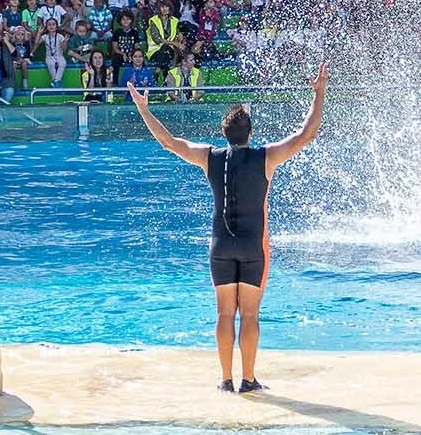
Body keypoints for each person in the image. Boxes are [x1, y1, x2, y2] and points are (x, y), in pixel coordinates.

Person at [128, 61, 328, 393]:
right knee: (248, 317)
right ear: (250, 134)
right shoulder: (267, 157)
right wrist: (319, 93)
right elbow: (307, 134)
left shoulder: (209, 157)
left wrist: (143, 109)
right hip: (252, 247)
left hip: (220, 246)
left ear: (224, 134)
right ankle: (248, 380)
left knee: (224, 315)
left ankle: (225, 380)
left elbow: (169, 142)